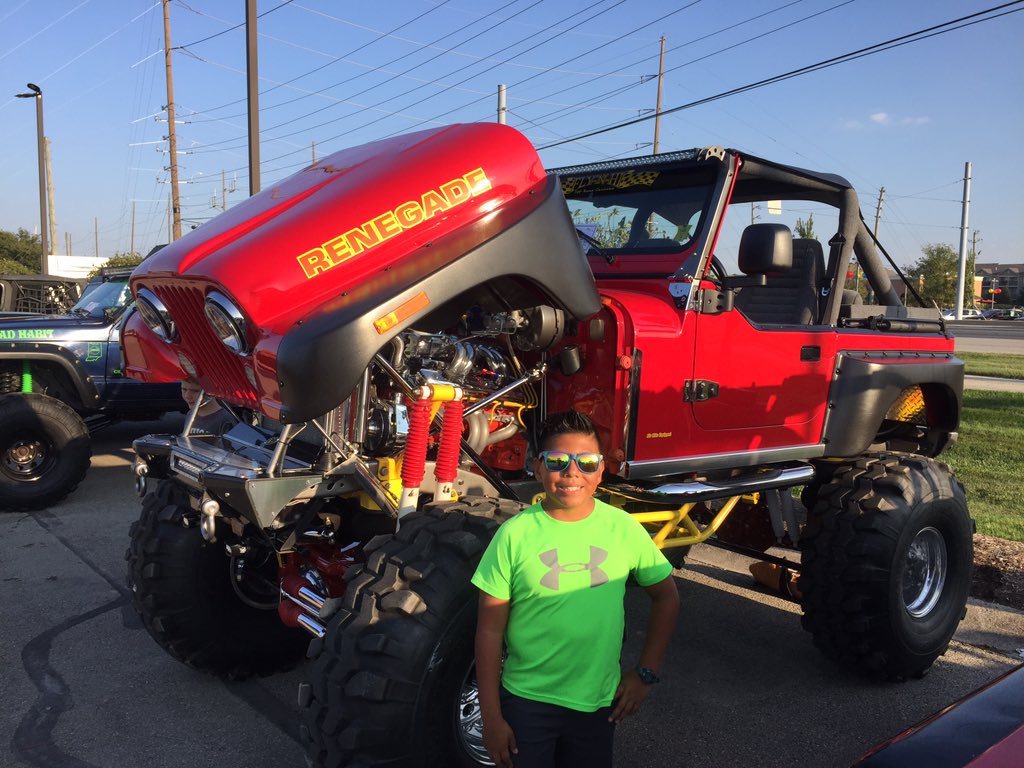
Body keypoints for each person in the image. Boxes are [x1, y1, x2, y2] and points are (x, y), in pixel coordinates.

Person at [472, 410, 680, 768]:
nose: (572, 472)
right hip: (526, 703)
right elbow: (489, 630)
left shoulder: (623, 529)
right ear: (538, 468)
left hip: (597, 705)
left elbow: (667, 597)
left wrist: (645, 673)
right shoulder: (514, 535)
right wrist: (491, 718)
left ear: (601, 471)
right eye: (557, 461)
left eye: (586, 462)